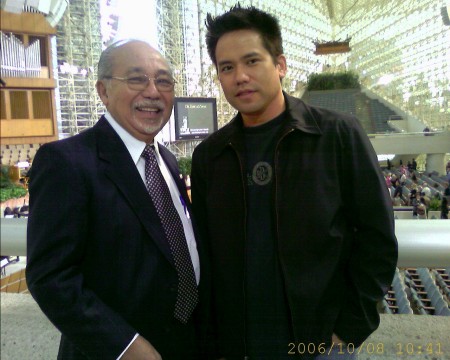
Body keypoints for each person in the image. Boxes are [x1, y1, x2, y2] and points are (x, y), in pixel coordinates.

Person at [191, 5, 398, 360]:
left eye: (252, 61)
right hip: (237, 346)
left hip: (319, 345)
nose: (240, 76)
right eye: (227, 67)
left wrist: (348, 331)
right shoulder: (210, 156)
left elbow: (377, 238)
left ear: (281, 65)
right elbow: (207, 258)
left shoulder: (337, 135)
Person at [26, 39, 208, 360]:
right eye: (137, 79)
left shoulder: (166, 159)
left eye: (164, 80)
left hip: (186, 342)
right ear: (103, 91)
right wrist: (123, 344)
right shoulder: (66, 163)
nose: (153, 91)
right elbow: (50, 278)